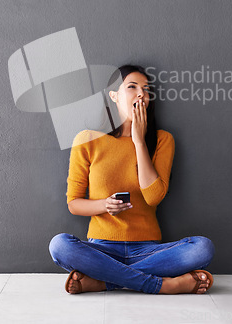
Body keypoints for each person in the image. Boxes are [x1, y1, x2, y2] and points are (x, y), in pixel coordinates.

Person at [49, 64, 215, 294]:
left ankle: (103, 281)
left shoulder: (162, 140)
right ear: (114, 96)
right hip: (101, 248)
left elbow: (153, 197)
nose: (141, 94)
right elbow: (74, 203)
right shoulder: (87, 140)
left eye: (146, 90)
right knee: (59, 245)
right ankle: (161, 285)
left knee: (202, 248)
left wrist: (138, 141)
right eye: (132, 87)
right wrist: (104, 205)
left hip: (148, 249)